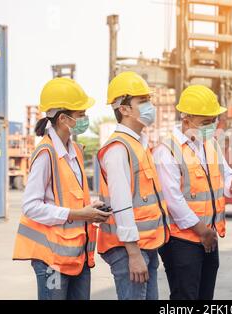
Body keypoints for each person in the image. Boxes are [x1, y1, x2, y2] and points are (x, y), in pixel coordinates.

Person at [13, 78, 111, 300]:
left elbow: (70, 198)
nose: (85, 119)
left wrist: (90, 208)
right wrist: (77, 214)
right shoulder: (45, 153)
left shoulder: (74, 150)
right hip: (51, 260)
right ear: (63, 119)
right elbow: (30, 206)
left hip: (77, 256)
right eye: (81, 114)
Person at [153, 85, 232, 300]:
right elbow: (173, 201)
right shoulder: (166, 150)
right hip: (182, 241)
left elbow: (225, 174)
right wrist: (202, 231)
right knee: (185, 298)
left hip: (208, 235)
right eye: (206, 122)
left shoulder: (210, 144)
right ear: (186, 119)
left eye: (214, 120)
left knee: (205, 297)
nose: (212, 126)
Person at [96, 71, 171, 300]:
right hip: (128, 250)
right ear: (124, 109)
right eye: (143, 101)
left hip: (145, 246)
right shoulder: (119, 149)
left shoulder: (138, 144)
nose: (150, 106)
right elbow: (122, 205)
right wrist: (133, 253)